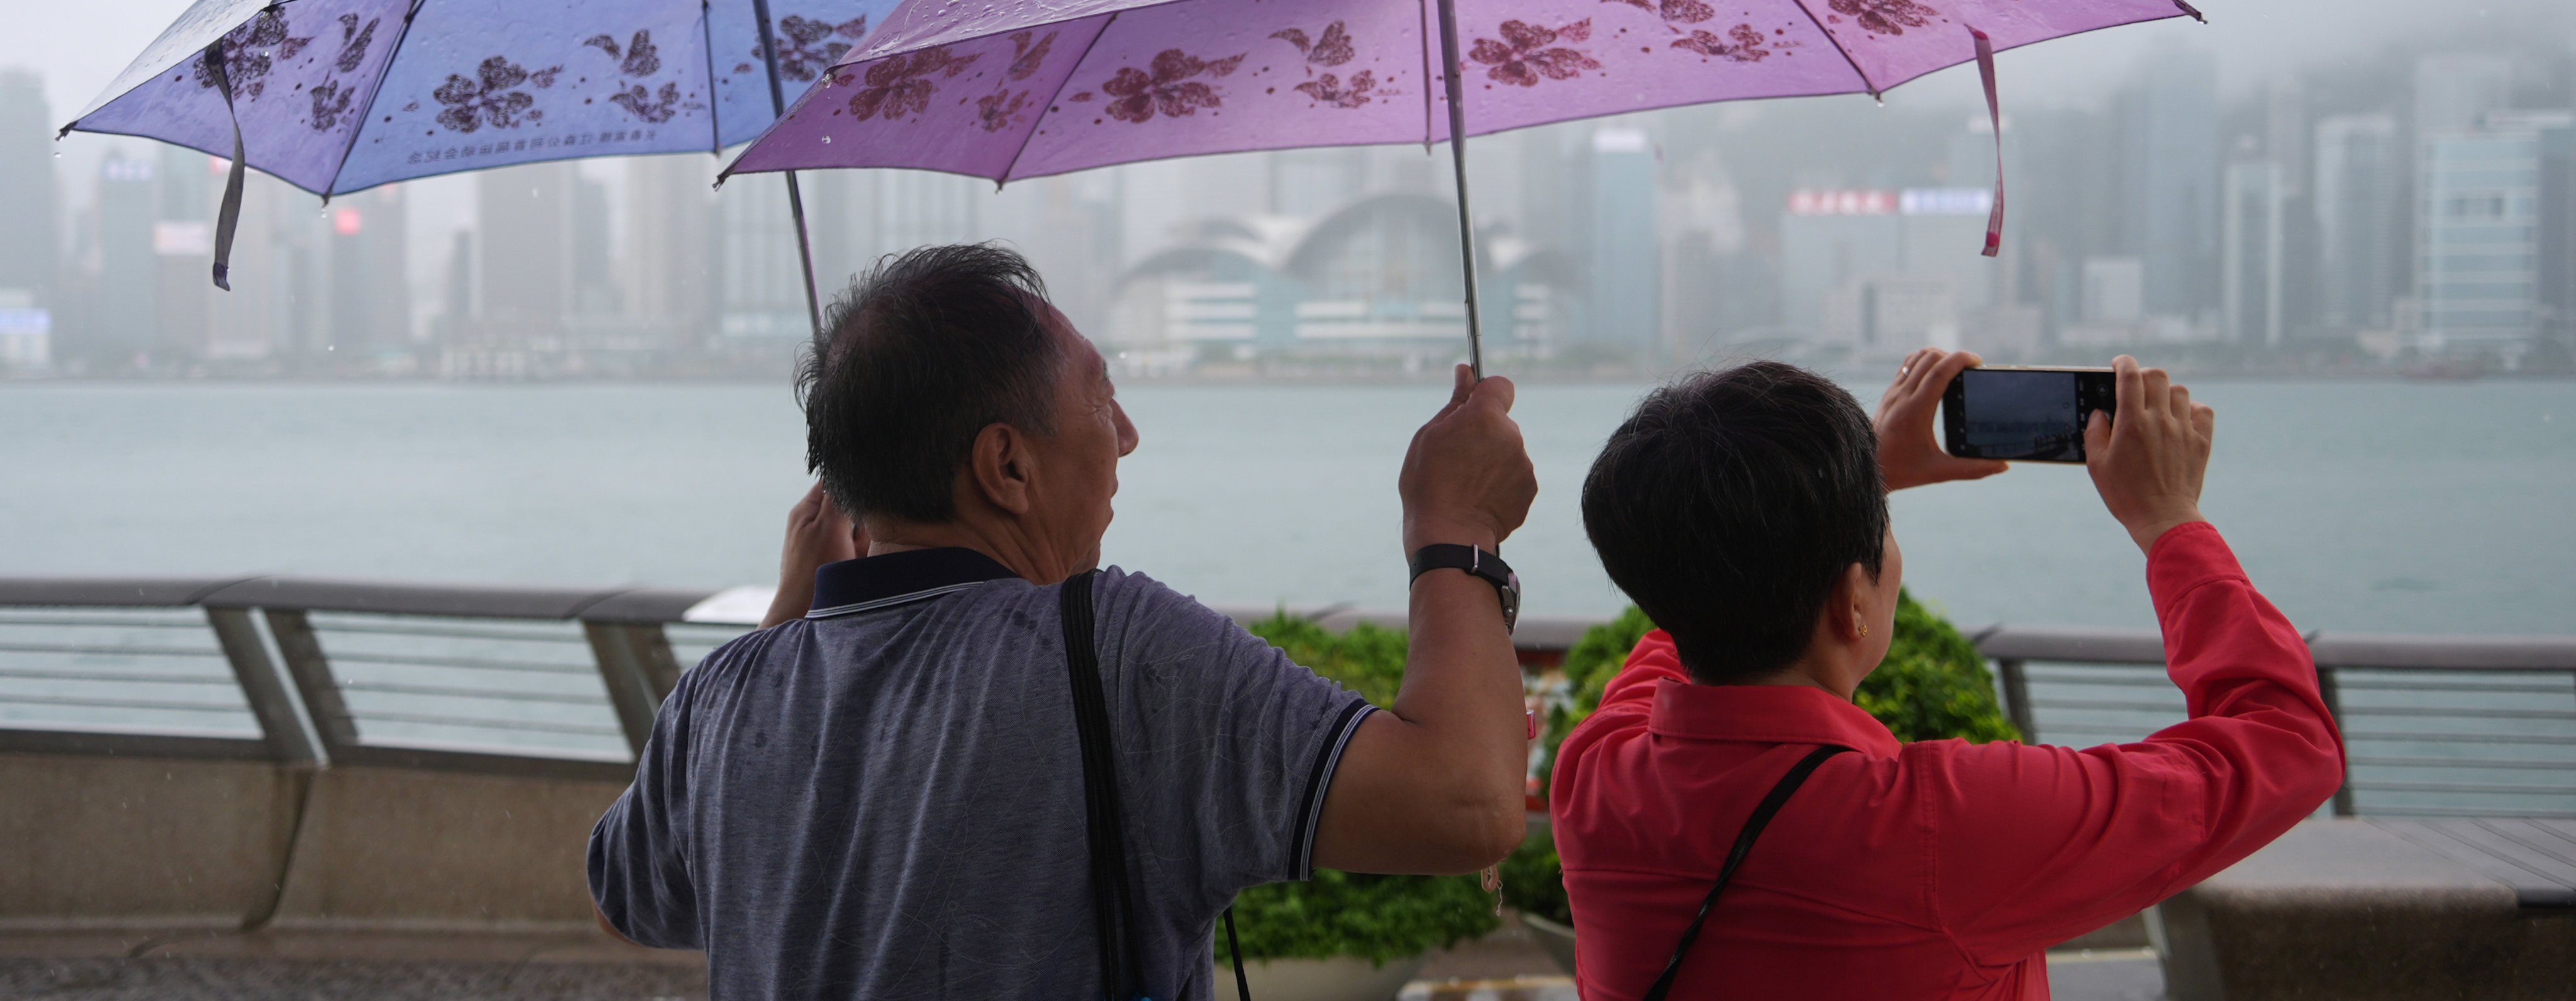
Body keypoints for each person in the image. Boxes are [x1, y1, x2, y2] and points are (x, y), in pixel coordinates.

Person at [587, 243, 1538, 1000]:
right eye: (1098, 394)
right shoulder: (1118, 651)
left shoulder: (723, 693)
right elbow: (1465, 803)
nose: (1125, 433)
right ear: (1006, 466)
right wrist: (1457, 527)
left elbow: (628, 896)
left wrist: (789, 613)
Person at [1552, 351, 2345, 1000]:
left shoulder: (1595, 775)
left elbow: (1695, 591)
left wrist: (1854, 489)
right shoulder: (1942, 830)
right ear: (1850, 603)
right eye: (1882, 537)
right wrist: (2171, 521)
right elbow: (2288, 743)